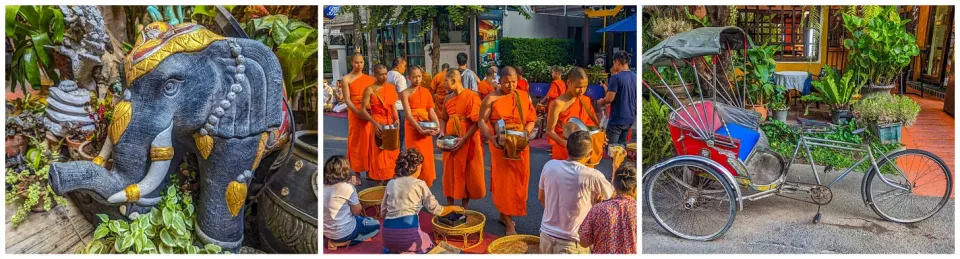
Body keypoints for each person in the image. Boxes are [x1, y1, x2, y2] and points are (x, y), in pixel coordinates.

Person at [478, 66, 537, 235]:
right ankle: (509, 222)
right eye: (506, 82)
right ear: (499, 81)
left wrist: (525, 133)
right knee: (504, 183)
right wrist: (491, 138)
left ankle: (505, 214)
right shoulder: (491, 99)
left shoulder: (523, 96)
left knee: (518, 182)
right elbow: (482, 121)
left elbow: (532, 118)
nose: (510, 86)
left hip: (520, 144)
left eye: (513, 82)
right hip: (500, 144)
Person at [537, 131, 614, 254]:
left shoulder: (549, 166)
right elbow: (613, 196)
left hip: (546, 236)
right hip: (572, 242)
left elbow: (541, 197)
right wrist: (616, 165)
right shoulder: (592, 175)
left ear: (567, 148)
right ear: (590, 154)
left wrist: (557, 216)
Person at [380, 149, 463, 253]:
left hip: (387, 237)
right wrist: (453, 208)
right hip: (409, 237)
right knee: (427, 240)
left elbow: (383, 213)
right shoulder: (419, 184)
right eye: (420, 168)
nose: (421, 170)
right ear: (416, 167)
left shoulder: (390, 183)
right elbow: (436, 210)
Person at [439, 68, 486, 209]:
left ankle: (464, 207)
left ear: (453, 80)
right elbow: (443, 118)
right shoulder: (448, 98)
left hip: (467, 139)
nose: (444, 84)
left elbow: (476, 122)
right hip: (450, 140)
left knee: (466, 172)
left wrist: (464, 139)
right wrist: (442, 133)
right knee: (449, 172)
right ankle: (450, 206)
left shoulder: (472, 96)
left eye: (446, 81)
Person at [578, 161, 637, 254]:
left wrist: (594, 207)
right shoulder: (637, 210)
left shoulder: (598, 209)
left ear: (613, 185)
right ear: (634, 190)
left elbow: (584, 242)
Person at [544, 68, 602, 161]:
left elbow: (591, 124)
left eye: (585, 87)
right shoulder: (559, 103)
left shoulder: (585, 100)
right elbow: (549, 131)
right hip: (564, 150)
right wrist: (564, 143)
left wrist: (598, 134)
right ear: (569, 83)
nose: (581, 91)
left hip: (583, 150)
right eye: (578, 87)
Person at [323, 155, 380, 246]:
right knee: (376, 224)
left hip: (326, 232)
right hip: (345, 233)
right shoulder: (348, 188)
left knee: (360, 219)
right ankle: (342, 243)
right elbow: (357, 211)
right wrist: (352, 187)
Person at [359, 64, 401, 184]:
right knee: (379, 153)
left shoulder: (391, 88)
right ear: (375, 75)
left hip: (390, 123)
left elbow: (392, 105)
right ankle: (378, 182)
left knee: (391, 152)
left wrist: (397, 119)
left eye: (385, 73)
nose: (384, 76)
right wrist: (374, 123)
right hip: (377, 121)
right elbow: (362, 109)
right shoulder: (369, 90)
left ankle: (390, 179)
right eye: (381, 74)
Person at [400, 65, 440, 186]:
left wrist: (438, 126)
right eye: (414, 77)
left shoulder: (426, 91)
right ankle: (413, 185)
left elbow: (431, 110)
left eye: (419, 76)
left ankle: (426, 184)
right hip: (413, 128)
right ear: (408, 78)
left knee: (426, 158)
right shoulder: (405, 93)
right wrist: (419, 129)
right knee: (414, 157)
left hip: (425, 126)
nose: (417, 80)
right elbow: (408, 114)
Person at [339, 53, 374, 182]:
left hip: (368, 111)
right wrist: (357, 112)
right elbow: (347, 100)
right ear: (351, 63)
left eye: (361, 62)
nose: (359, 65)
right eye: (356, 62)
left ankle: (370, 171)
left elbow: (374, 97)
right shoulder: (346, 79)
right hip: (355, 112)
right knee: (356, 142)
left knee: (370, 141)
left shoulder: (370, 79)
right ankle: (357, 174)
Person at [597, 51, 637, 145]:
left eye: (614, 63)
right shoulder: (635, 77)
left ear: (617, 62)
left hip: (617, 118)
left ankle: (615, 160)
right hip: (630, 118)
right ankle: (621, 160)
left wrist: (600, 102)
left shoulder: (615, 78)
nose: (613, 66)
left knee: (613, 148)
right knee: (622, 146)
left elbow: (609, 99)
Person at [388, 58, 409, 150]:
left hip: (389, 107)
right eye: (404, 66)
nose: (404, 68)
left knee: (392, 134)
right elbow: (402, 95)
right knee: (401, 135)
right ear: (398, 65)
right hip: (399, 108)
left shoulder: (387, 74)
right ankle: (400, 156)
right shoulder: (399, 77)